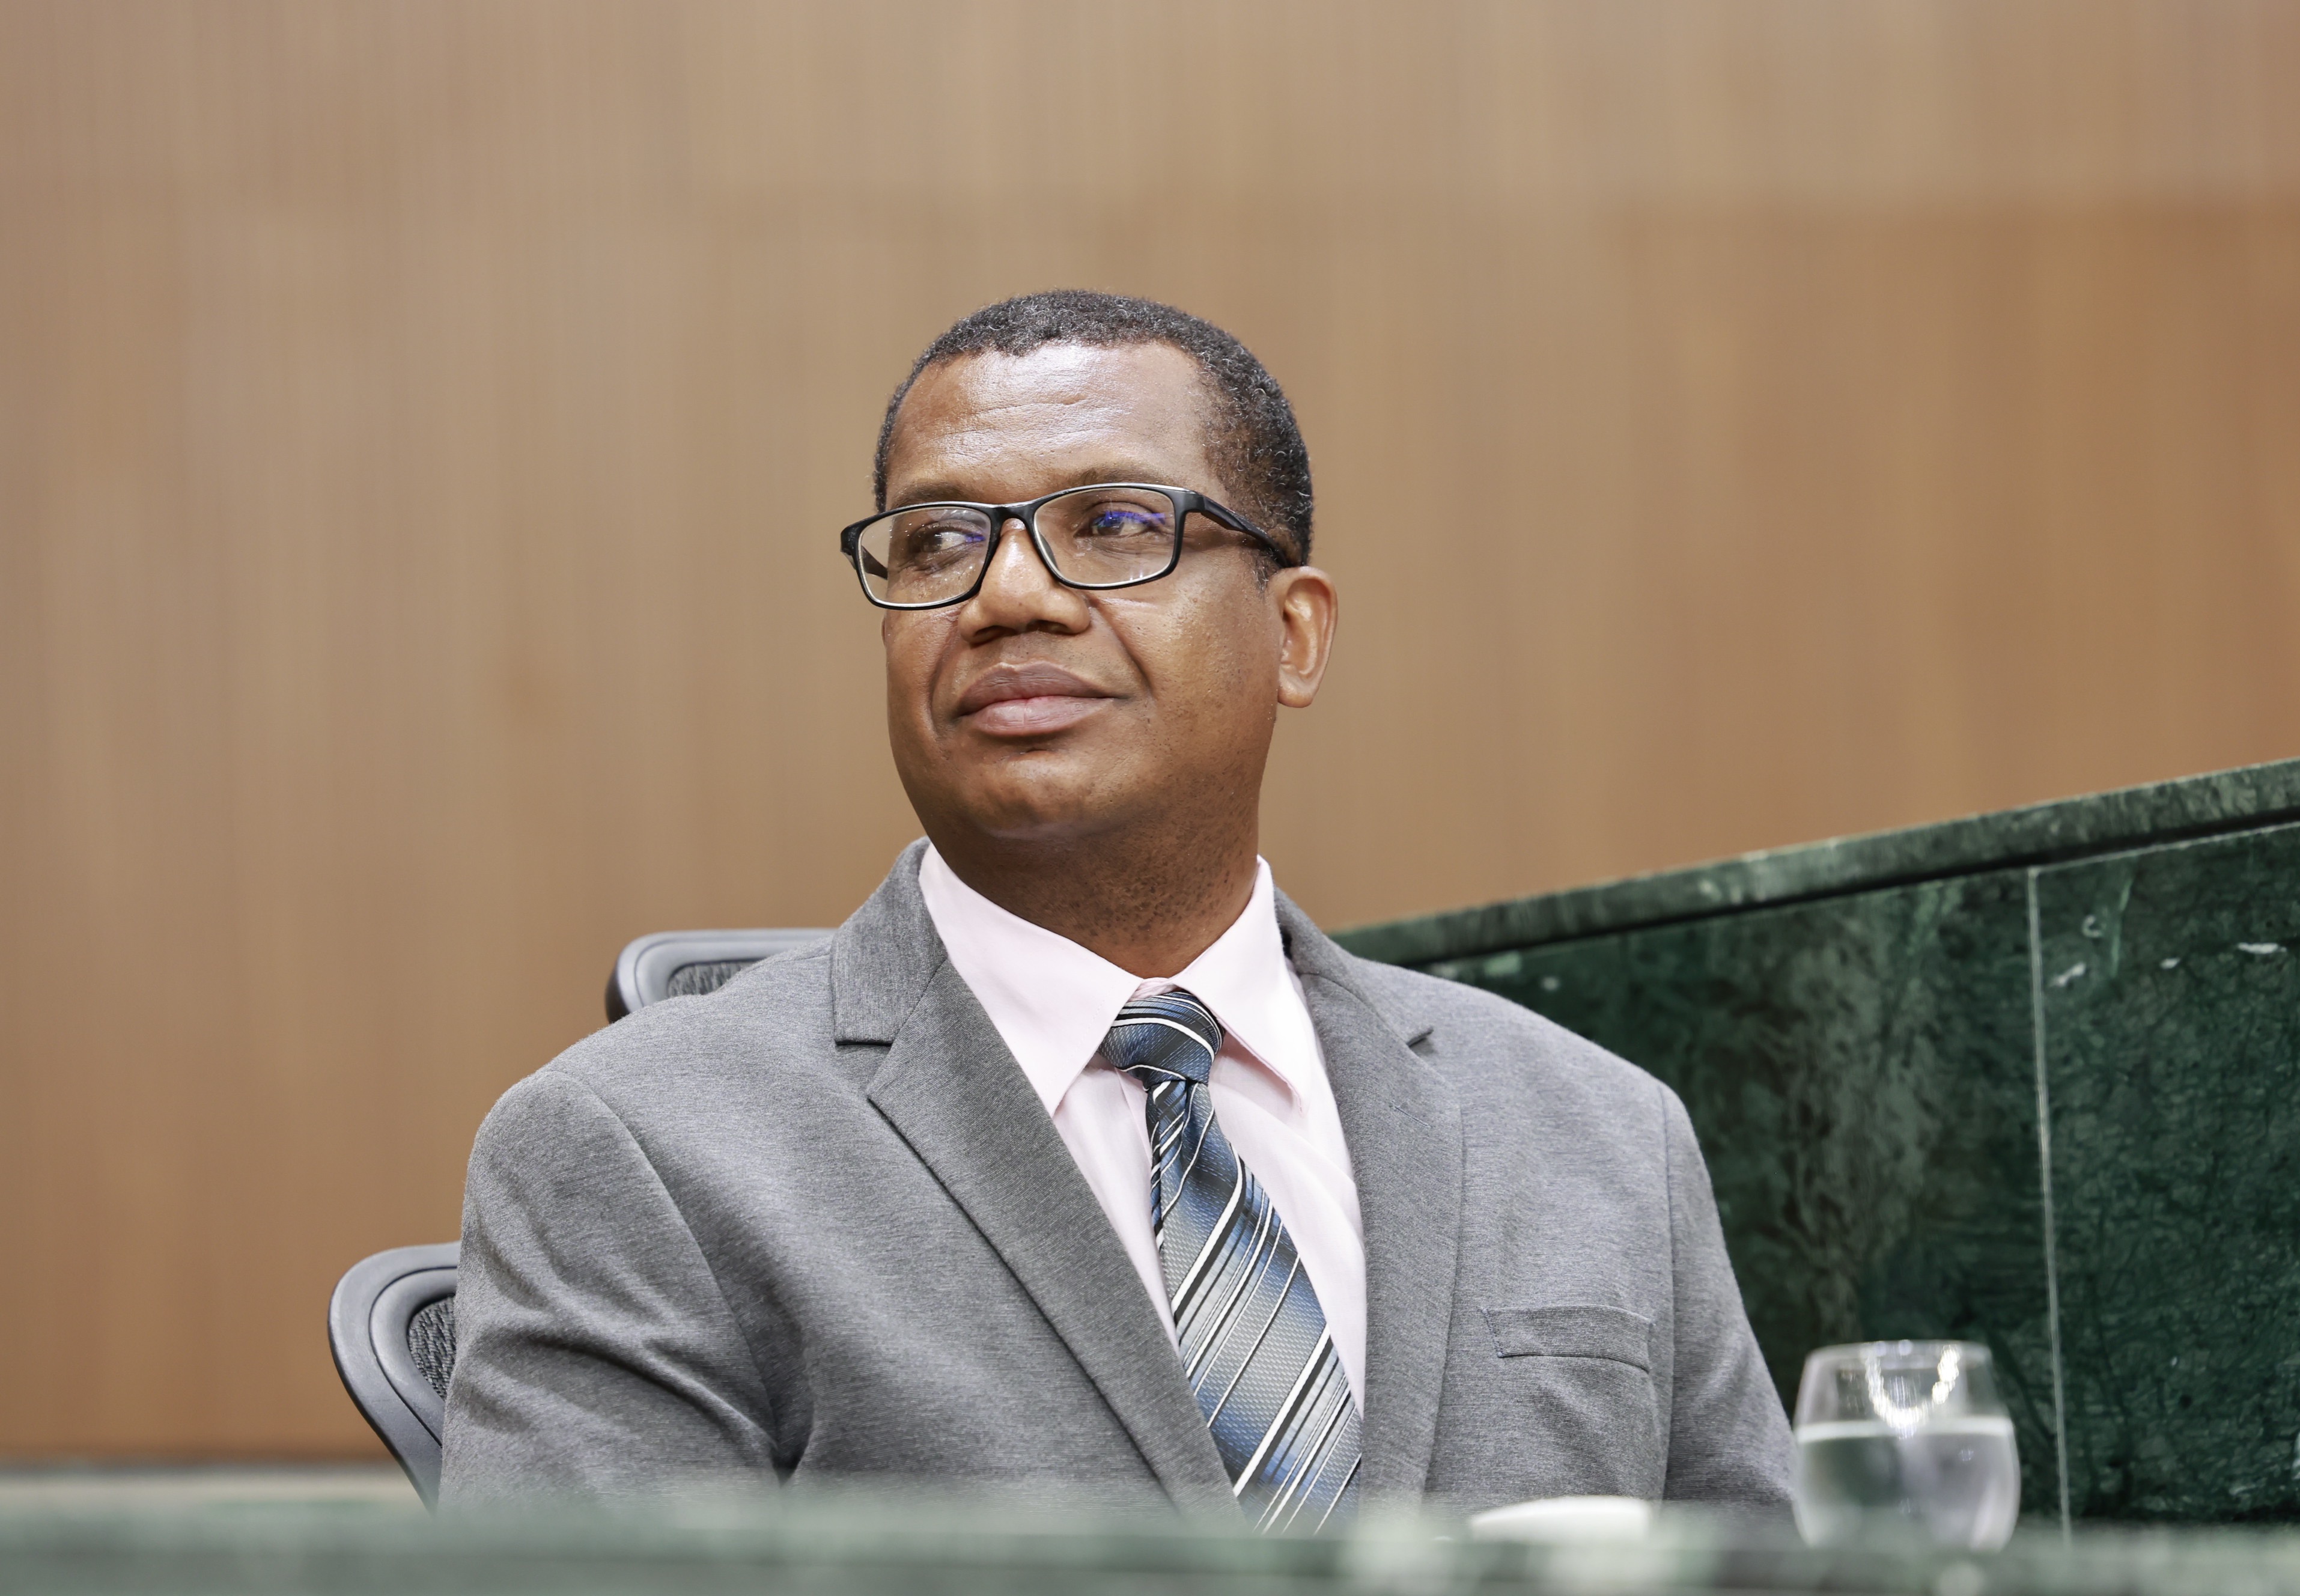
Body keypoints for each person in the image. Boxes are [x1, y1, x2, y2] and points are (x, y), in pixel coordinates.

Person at [442, 291, 1792, 1524]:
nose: (1008, 595)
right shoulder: (636, 1152)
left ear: (1296, 633)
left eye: (1115, 527)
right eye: (939, 542)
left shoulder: (1600, 1133)